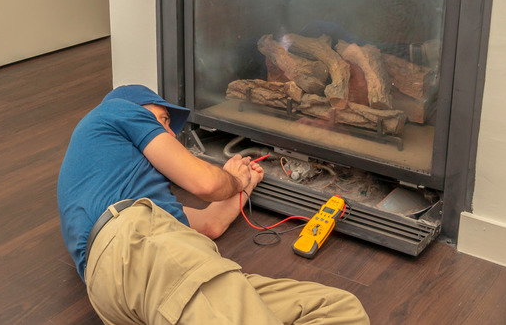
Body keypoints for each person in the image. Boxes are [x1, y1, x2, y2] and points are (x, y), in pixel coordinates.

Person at [57, 84, 370, 324]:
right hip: (146, 252)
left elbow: (211, 224)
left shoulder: (124, 189)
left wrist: (244, 186)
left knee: (338, 310)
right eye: (163, 121)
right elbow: (206, 184)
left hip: (131, 279)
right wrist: (228, 179)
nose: (169, 134)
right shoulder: (118, 111)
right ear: (138, 109)